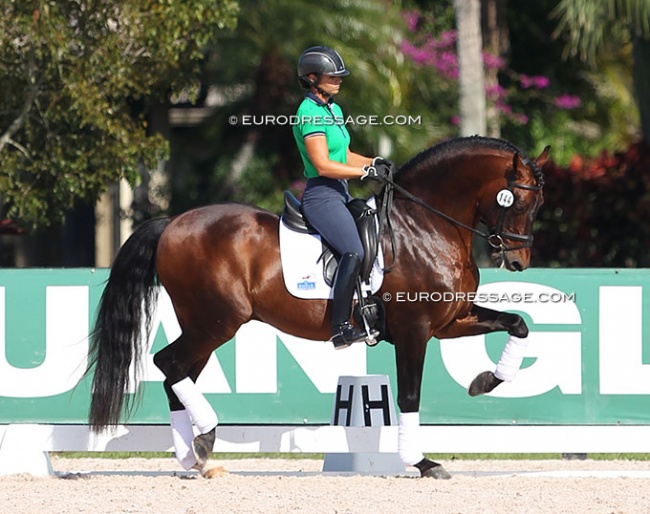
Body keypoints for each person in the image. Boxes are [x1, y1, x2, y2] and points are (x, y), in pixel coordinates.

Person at [292, 45, 392, 349]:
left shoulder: (333, 109)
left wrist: (373, 164)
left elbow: (345, 154)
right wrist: (364, 174)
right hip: (321, 196)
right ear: (312, 77)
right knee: (353, 250)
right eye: (332, 75)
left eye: (339, 75)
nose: (339, 79)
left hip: (340, 193)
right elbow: (323, 165)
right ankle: (340, 328)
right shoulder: (308, 112)